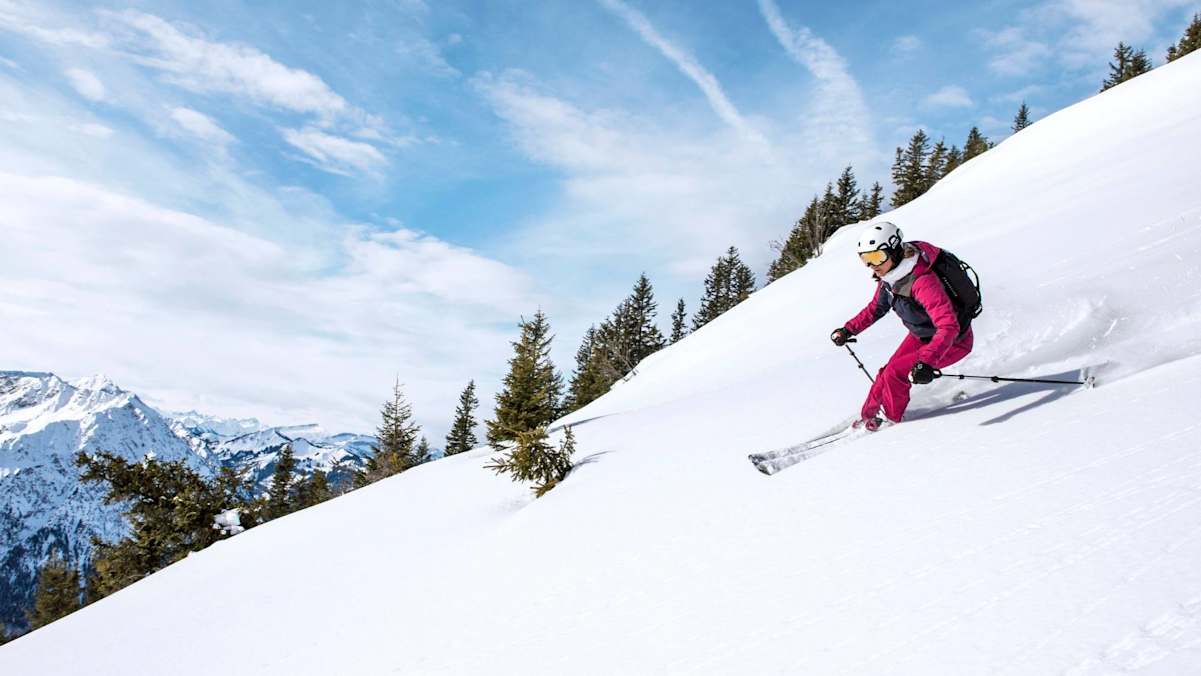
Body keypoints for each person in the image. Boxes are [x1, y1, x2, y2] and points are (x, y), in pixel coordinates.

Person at [830, 222, 973, 430]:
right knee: (886, 372)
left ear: (894, 252)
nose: (872, 265)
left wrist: (927, 362)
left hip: (953, 342)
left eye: (877, 257)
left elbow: (948, 326)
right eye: (866, 259)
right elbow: (875, 309)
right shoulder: (890, 277)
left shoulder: (922, 281)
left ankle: (890, 422)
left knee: (895, 374)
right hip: (921, 335)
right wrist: (848, 329)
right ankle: (868, 416)